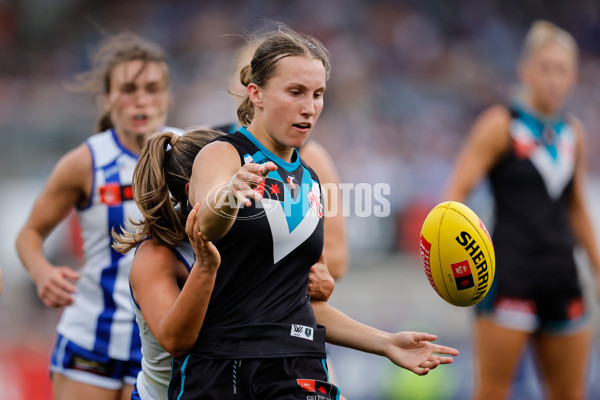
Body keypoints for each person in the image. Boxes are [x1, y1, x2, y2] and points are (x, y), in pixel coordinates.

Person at [173, 24, 458, 399]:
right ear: (255, 93)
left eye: (318, 94)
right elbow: (204, 224)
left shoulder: (309, 178)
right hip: (227, 365)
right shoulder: (222, 154)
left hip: (298, 364)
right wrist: (231, 193)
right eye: (295, 93)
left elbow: (303, 304)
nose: (310, 108)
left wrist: (386, 342)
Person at [112, 128, 336, 400]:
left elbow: (285, 314)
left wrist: (383, 342)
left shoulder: (245, 240)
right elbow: (175, 341)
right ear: (193, 188)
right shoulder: (157, 256)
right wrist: (205, 268)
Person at [15, 32, 179, 400]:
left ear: (168, 97)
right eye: (128, 88)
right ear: (107, 100)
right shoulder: (84, 162)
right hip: (91, 337)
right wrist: (43, 273)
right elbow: (30, 233)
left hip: (164, 339)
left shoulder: (192, 155)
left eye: (152, 88)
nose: (141, 99)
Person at [442, 20, 600, 400]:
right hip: (508, 275)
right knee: (493, 392)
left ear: (573, 76)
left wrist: (597, 265)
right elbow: (454, 197)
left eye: (562, 69)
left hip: (562, 276)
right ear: (525, 71)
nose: (553, 79)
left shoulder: (573, 132)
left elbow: (576, 204)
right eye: (545, 68)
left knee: (570, 393)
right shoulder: (500, 125)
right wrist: (456, 259)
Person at [219, 40, 348, 280]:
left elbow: (336, 260)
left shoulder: (311, 160)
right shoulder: (207, 145)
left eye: (316, 94)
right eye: (244, 73)